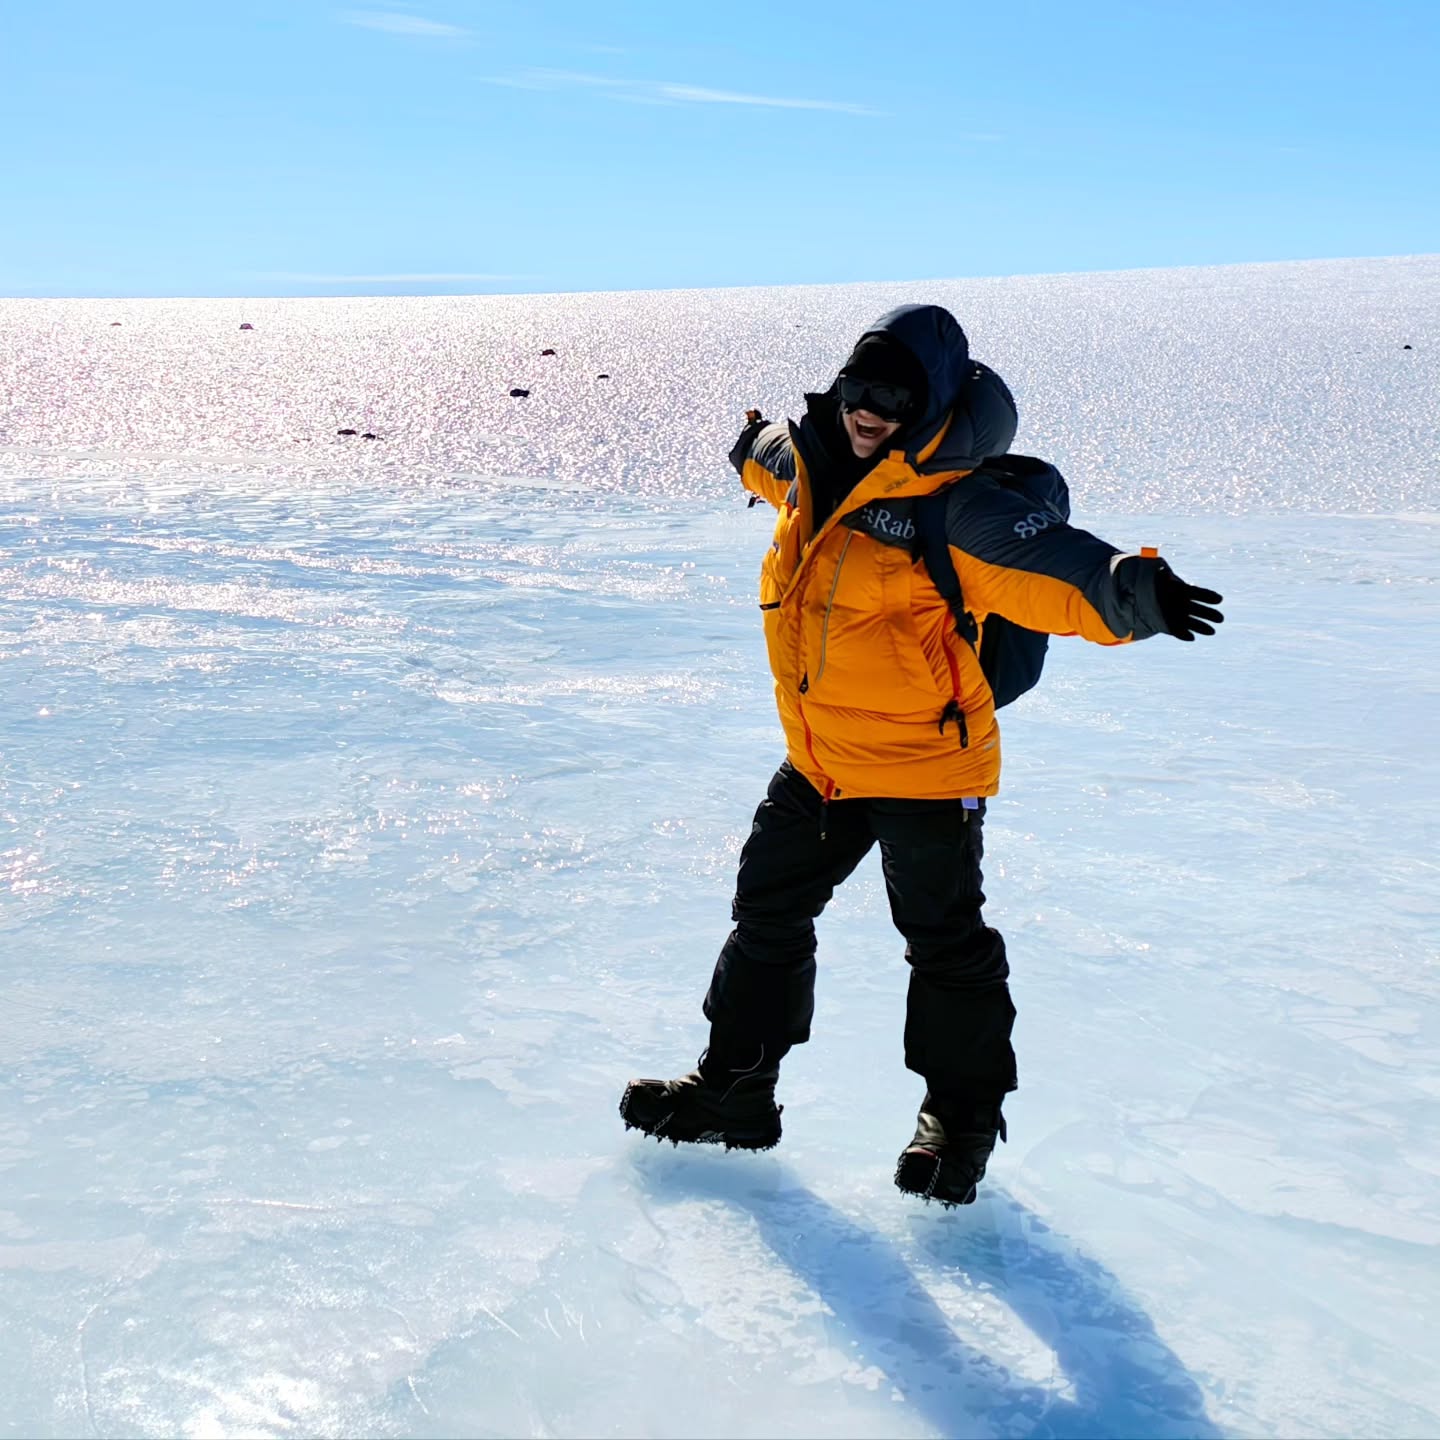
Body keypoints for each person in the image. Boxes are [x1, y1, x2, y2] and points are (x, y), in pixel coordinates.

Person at [619, 304, 1224, 1207]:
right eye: (860, 386)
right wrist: (744, 443)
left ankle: (961, 1126)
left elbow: (1060, 573)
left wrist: (1131, 590)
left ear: (932, 404)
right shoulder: (815, 463)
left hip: (929, 768)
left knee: (943, 944)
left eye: (895, 396)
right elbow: (766, 457)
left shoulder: (960, 504)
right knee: (766, 913)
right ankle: (734, 1093)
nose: (870, 410)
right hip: (823, 759)